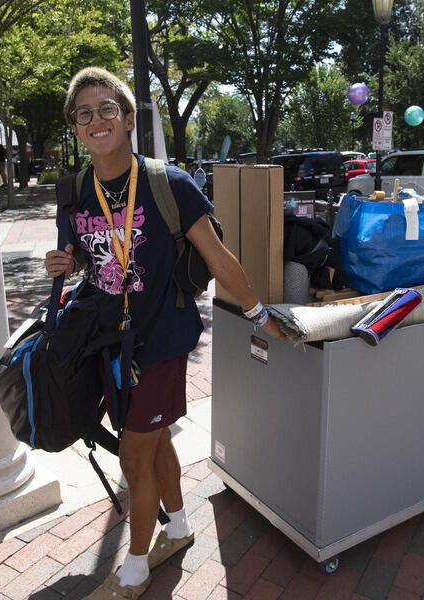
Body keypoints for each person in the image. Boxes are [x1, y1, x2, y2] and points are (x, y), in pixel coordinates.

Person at [44, 67, 285, 600]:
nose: (96, 119)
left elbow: (218, 256)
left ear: (128, 120)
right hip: (110, 342)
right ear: (76, 128)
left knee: (133, 454)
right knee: (151, 446)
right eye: (84, 113)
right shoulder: (77, 191)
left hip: (163, 338)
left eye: (107, 108)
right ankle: (176, 528)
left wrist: (255, 311)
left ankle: (135, 565)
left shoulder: (167, 183)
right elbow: (91, 256)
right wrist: (65, 259)